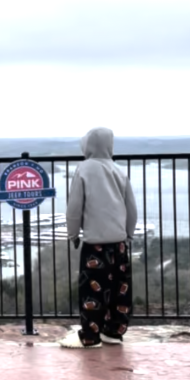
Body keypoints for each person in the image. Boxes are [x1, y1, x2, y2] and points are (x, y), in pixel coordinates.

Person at [60, 127, 138, 349]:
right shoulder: (118, 170)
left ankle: (90, 336)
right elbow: (131, 208)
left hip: (95, 245)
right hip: (119, 244)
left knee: (92, 292)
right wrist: (128, 233)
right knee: (119, 290)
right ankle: (113, 332)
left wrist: (73, 233)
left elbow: (74, 207)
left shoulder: (84, 169)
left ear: (88, 145)